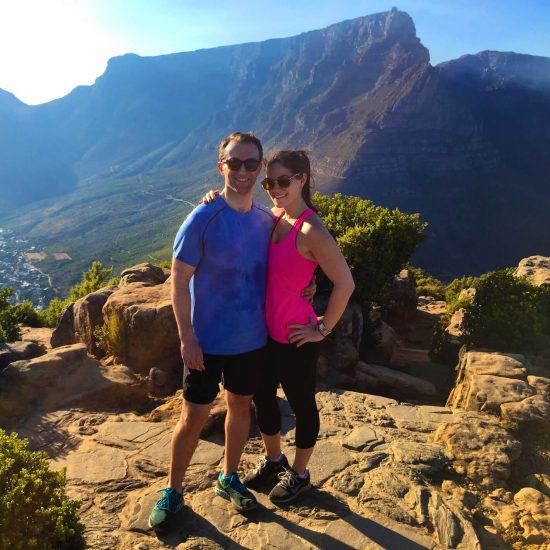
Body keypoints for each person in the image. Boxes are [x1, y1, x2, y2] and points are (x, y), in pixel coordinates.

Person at [148, 133, 315, 530]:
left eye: (251, 164)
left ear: (260, 170)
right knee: (193, 416)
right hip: (206, 342)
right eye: (234, 163)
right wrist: (187, 337)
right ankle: (173, 490)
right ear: (220, 166)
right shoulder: (202, 218)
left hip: (251, 341)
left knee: (241, 408)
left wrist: (312, 287)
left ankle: (228, 476)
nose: (243, 171)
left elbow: (296, 255)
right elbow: (178, 280)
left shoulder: (265, 220)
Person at [202, 150, 354, 503]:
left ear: (302, 179)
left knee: (302, 406)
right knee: (264, 398)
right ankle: (274, 461)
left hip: (297, 337)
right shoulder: (274, 216)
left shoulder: (312, 230)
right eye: (270, 183)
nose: (274, 189)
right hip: (263, 333)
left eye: (284, 181)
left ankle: (300, 474)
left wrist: (322, 329)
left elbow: (346, 283)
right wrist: (212, 200)